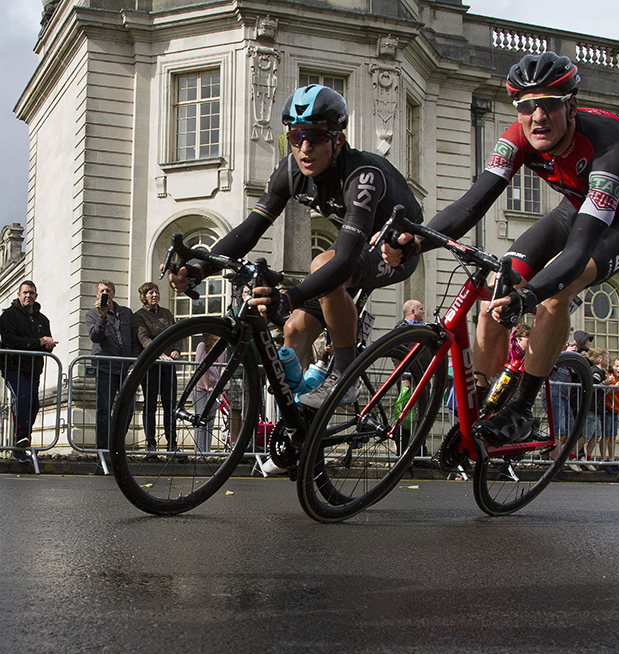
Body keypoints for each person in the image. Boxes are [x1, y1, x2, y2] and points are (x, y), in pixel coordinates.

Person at [383, 51, 619, 447]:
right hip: (575, 204)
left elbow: (579, 248)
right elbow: (471, 204)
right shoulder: (517, 136)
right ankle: (479, 406)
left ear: (571, 105)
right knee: (497, 289)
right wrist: (415, 240)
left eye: (549, 104)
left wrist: (530, 295)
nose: (538, 116)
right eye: (526, 106)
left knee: (558, 290)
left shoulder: (608, 148)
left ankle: (520, 412)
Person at [169, 84, 422, 409]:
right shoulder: (290, 170)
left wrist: (289, 296)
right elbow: (249, 230)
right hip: (352, 252)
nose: (304, 148)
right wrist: (200, 267)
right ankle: (300, 431)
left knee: (324, 265)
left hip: (397, 251)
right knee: (294, 331)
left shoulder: (362, 175)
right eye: (295, 138)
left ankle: (345, 379)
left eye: (315, 138)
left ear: (338, 139)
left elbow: (343, 260)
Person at [0, 280, 58, 463]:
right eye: (25, 292)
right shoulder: (8, 316)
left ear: (36, 296)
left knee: (33, 404)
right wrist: (38, 342)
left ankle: (21, 444)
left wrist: (48, 345)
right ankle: (21, 439)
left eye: (32, 293)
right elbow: (9, 340)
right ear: (18, 295)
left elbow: (44, 344)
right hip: (13, 367)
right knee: (23, 397)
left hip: (33, 369)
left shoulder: (42, 319)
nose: (28, 296)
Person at [86, 280, 140, 451]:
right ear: (97, 294)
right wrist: (102, 317)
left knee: (128, 408)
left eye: (108, 290)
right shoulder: (92, 315)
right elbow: (95, 337)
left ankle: (115, 443)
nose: (105, 294)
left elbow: (134, 339)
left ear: (114, 293)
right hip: (105, 368)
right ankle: (103, 449)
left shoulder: (126, 313)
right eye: (102, 291)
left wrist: (134, 360)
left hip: (125, 368)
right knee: (104, 409)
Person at [134, 282, 181, 452]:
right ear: (144, 296)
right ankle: (150, 444)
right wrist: (157, 353)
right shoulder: (139, 316)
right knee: (150, 406)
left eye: (156, 292)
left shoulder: (167, 313)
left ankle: (172, 444)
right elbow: (144, 338)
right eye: (150, 293)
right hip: (151, 367)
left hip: (168, 367)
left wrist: (176, 349)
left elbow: (176, 333)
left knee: (170, 406)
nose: (154, 295)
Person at [192, 334, 226, 454]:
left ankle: (206, 452)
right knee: (201, 419)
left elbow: (222, 368)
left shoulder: (222, 349)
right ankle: (199, 451)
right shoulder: (202, 346)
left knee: (210, 422)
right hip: (201, 388)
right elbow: (201, 368)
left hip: (214, 388)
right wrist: (207, 386)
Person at [602, 357, 619, 466]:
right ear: (612, 366)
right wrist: (616, 387)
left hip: (616, 410)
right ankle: (603, 458)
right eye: (617, 366)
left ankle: (611, 458)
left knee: (613, 435)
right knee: (606, 435)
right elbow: (606, 391)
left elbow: (618, 395)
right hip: (608, 409)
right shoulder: (609, 377)